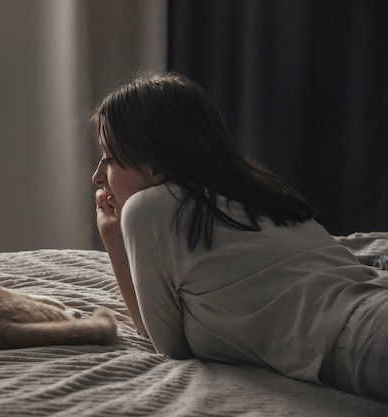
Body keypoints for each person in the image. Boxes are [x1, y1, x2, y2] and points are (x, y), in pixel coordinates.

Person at [90, 72, 388, 402]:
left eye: (110, 159)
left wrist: (114, 240)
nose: (97, 176)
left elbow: (166, 346)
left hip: (361, 338)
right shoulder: (256, 191)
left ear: (153, 168)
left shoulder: (147, 209)